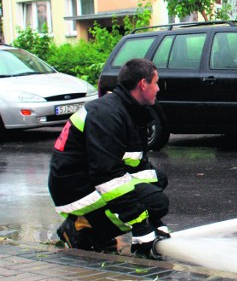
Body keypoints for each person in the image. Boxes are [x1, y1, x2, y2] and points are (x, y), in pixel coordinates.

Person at [49, 58, 170, 258]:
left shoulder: (128, 110)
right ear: (142, 84)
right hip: (73, 188)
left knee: (158, 179)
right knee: (156, 203)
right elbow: (107, 176)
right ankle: (82, 229)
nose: (158, 89)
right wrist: (141, 226)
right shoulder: (107, 114)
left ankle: (93, 225)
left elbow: (135, 164)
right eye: (156, 83)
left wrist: (155, 223)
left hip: (90, 179)